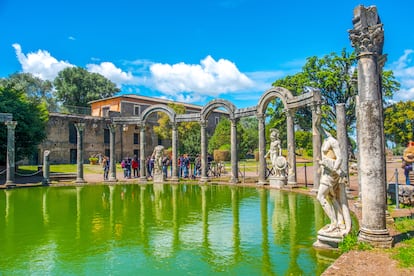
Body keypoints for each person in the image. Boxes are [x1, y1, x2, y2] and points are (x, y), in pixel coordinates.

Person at [316, 115, 351, 236]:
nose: (322, 130)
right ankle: (339, 221)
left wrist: (334, 169)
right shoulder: (326, 139)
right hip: (326, 171)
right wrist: (317, 114)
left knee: (320, 197)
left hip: (331, 173)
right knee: (332, 197)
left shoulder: (333, 141)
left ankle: (334, 222)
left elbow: (340, 158)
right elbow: (317, 125)